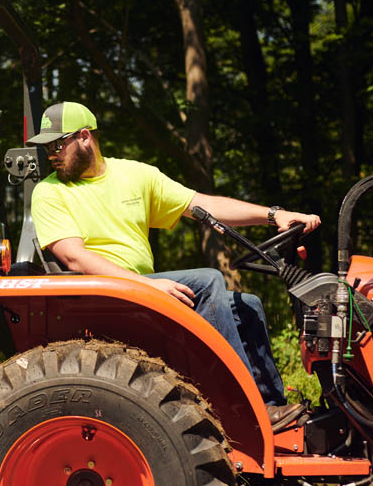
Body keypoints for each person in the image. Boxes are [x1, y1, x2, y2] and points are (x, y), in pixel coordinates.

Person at [26, 101, 321, 430]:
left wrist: (273, 215)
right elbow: (74, 257)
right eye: (47, 148)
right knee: (208, 281)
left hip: (136, 289)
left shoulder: (135, 175)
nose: (50, 154)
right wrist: (147, 285)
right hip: (103, 297)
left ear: (85, 137)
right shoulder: (48, 192)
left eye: (56, 145)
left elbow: (202, 204)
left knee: (247, 305)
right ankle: (241, 412)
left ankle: (273, 410)